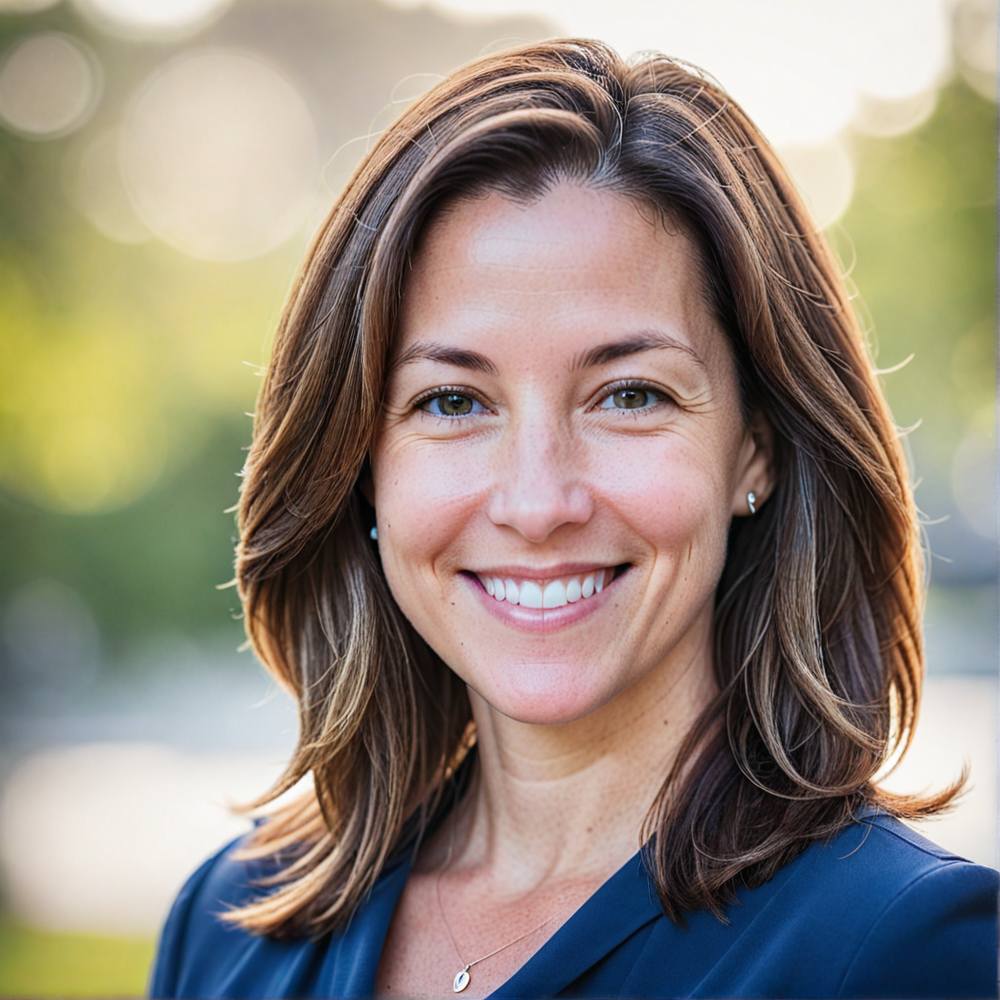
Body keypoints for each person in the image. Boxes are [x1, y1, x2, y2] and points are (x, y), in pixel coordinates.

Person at [149, 39, 998, 999]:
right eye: (453, 403)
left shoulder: (902, 952)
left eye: (629, 395)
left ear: (756, 448)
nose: (539, 503)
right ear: (361, 467)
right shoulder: (228, 934)